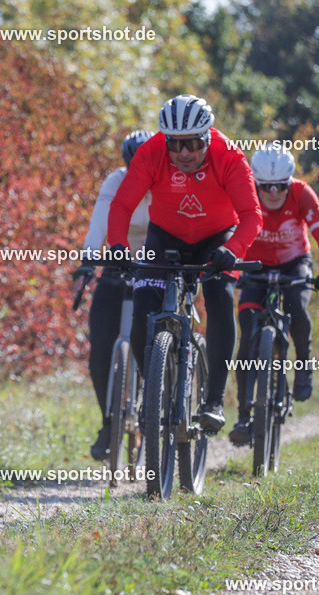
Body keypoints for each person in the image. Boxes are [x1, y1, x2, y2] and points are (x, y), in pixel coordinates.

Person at [107, 94, 263, 432]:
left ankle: (214, 400)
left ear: (207, 136)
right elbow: (121, 206)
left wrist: (233, 249)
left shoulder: (230, 157)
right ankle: (154, 390)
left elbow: (252, 216)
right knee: (143, 307)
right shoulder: (151, 154)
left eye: (192, 143)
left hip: (218, 238)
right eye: (175, 145)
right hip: (164, 236)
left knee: (220, 296)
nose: (183, 153)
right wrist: (118, 247)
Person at [229, 144, 319, 445]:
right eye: (265, 186)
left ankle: (304, 367)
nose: (273, 192)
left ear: (289, 181)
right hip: (255, 265)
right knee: (246, 328)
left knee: (297, 308)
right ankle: (243, 415)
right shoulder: (246, 192)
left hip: (295, 263)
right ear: (255, 181)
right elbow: (229, 229)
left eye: (280, 186)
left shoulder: (302, 193)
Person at [73, 130, 152, 459]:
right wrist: (87, 264)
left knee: (152, 338)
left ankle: (155, 404)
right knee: (100, 345)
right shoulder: (115, 182)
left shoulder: (165, 183)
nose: (138, 174)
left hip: (155, 267)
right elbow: (97, 227)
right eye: (132, 166)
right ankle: (109, 422)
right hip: (118, 264)